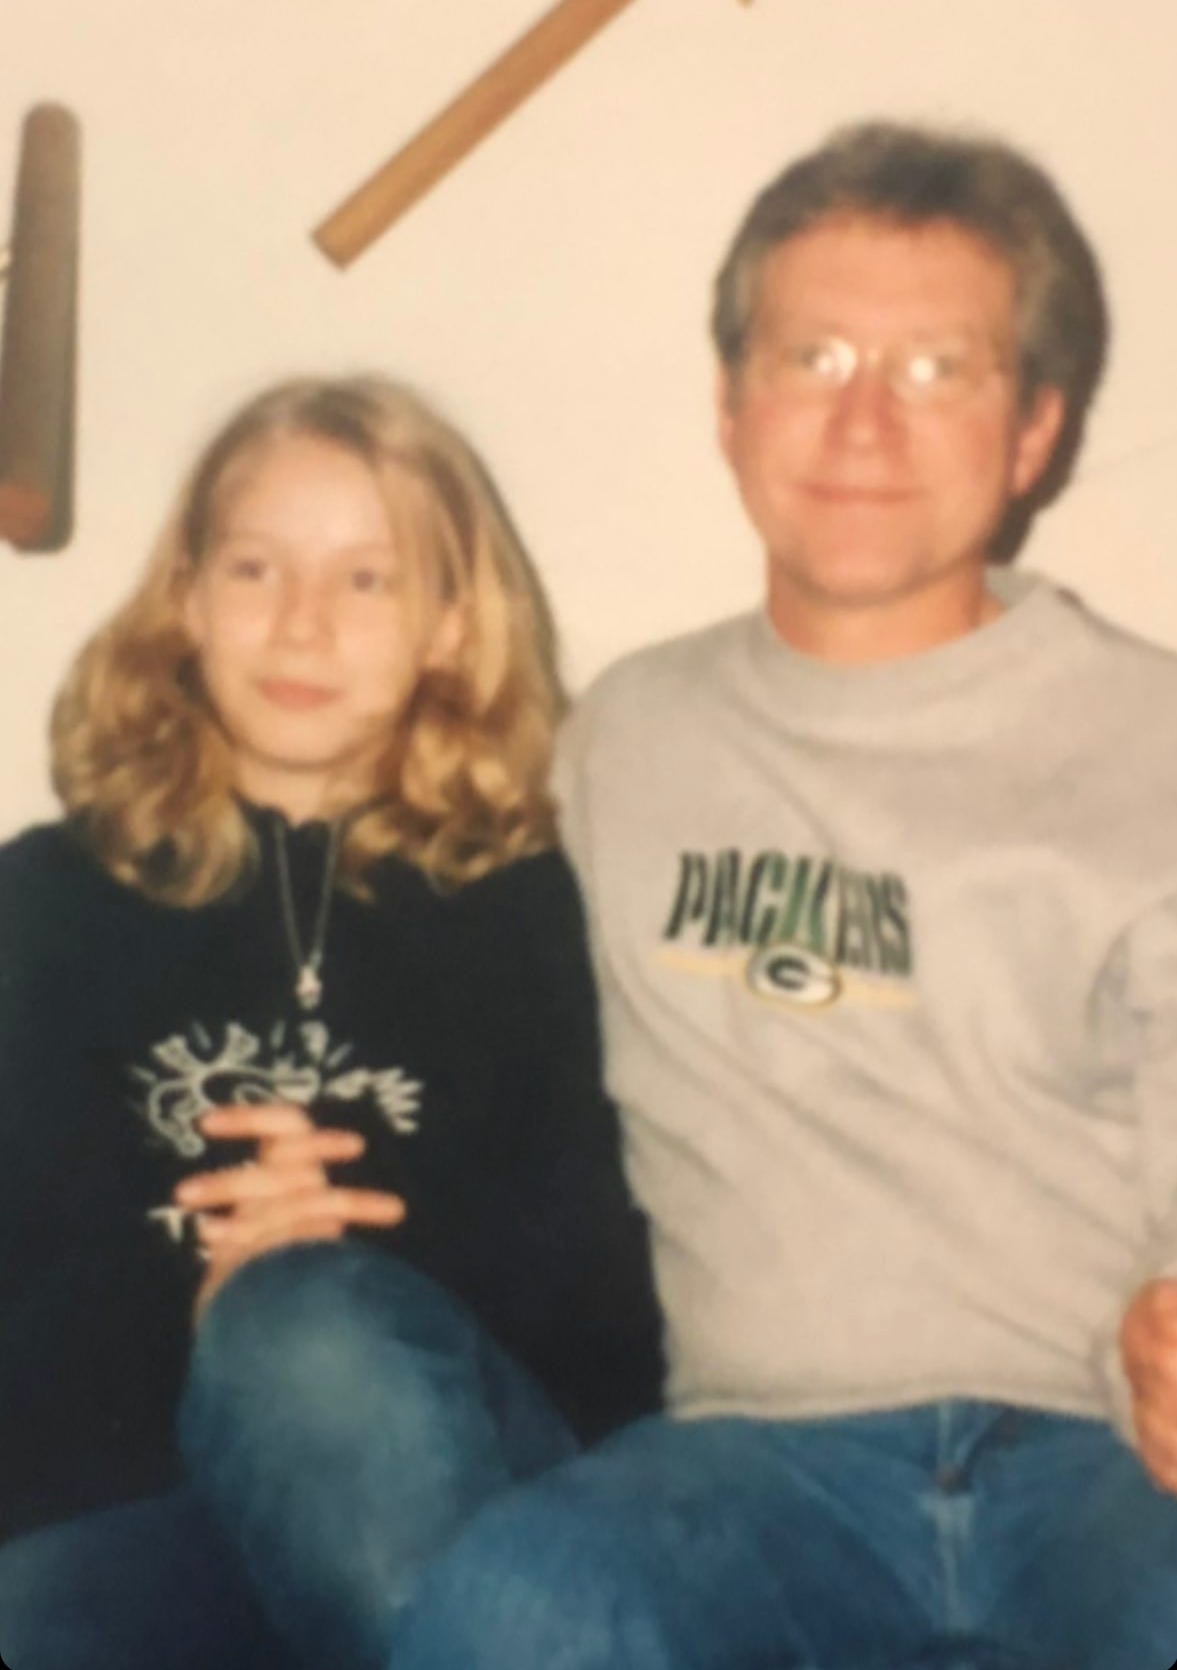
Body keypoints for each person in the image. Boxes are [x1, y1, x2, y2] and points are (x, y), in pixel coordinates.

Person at [371, 123, 1177, 1670]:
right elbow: (413, 945)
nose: (863, 420)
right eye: (811, 357)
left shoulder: (1154, 737)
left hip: (1102, 1463)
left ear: (1034, 431)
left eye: (935, 367)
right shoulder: (616, 737)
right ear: (729, 408)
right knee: (516, 1610)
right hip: (751, 1475)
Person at [0, 375, 661, 1670]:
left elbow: (614, 1332)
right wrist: (209, 1297)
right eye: (255, 569)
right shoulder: (47, 905)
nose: (301, 625)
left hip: (466, 1509)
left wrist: (342, 1270)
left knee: (309, 1336)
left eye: (367, 580)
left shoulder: (541, 914)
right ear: (186, 599)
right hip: (148, 1524)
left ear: (450, 627)